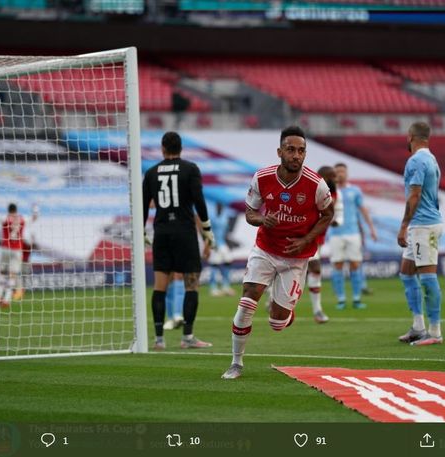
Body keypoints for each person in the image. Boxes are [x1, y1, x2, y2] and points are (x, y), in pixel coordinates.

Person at [221, 126, 334, 379]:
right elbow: (250, 212)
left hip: (296, 258)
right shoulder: (262, 178)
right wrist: (261, 219)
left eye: (301, 151)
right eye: (291, 149)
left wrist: (306, 239)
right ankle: (236, 363)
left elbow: (328, 214)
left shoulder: (316, 184)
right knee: (248, 300)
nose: (296, 155)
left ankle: (285, 310)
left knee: (277, 323)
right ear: (280, 151)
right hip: (265, 249)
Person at [142, 131, 216, 350]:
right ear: (181, 148)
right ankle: (187, 337)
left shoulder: (152, 172)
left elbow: (144, 204)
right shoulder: (190, 169)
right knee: (191, 285)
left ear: (163, 148)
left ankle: (158, 340)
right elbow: (199, 201)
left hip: (162, 232)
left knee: (160, 286)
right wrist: (206, 228)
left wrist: (142, 229)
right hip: (184, 232)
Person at [397, 122, 444, 346]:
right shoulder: (432, 159)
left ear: (410, 136)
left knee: (427, 276)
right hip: (423, 223)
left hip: (423, 225)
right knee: (407, 273)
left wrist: (404, 225)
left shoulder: (416, 160)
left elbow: (414, 195)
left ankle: (435, 332)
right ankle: (418, 326)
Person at [327, 163, 377, 310]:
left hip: (353, 233)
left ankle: (356, 299)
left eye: (343, 171)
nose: (340, 174)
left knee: (355, 264)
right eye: (338, 172)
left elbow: (363, 210)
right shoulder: (329, 191)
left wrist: (371, 229)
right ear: (334, 174)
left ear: (347, 173)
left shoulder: (355, 191)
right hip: (335, 233)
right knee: (337, 266)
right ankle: (341, 299)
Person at [0, 198, 38, 308]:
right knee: (12, 276)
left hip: (5, 249)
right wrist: (35, 207)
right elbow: (35, 217)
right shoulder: (22, 219)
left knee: (2, 273)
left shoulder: (5, 218)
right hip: (16, 250)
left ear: (8, 210)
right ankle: (6, 300)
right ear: (16, 210)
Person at [307, 165, 344, 323]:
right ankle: (318, 311)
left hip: (318, 238)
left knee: (306, 271)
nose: (336, 179)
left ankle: (317, 311)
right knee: (314, 268)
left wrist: (337, 222)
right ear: (323, 177)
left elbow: (339, 212)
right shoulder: (311, 188)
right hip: (303, 236)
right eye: (333, 177)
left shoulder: (336, 193)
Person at [209, 202, 236, 297]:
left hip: (223, 244)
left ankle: (226, 286)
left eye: (221, 206)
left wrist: (229, 242)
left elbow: (226, 231)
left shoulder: (224, 217)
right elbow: (209, 231)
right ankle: (213, 288)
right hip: (215, 244)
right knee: (214, 265)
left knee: (228, 262)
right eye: (218, 206)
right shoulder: (212, 218)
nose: (219, 208)